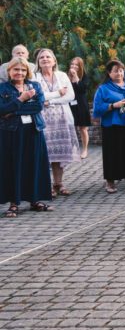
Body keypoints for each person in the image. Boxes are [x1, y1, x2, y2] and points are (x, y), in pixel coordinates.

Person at [1, 57, 53, 217]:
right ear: (9, 71)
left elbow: (38, 106)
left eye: (23, 70)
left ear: (27, 72)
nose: (20, 73)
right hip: (11, 133)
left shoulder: (35, 85)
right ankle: (14, 203)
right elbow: (2, 110)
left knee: (34, 164)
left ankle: (35, 200)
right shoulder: (2, 88)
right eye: (16, 69)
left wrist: (13, 111)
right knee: (13, 166)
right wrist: (21, 99)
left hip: (34, 130)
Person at [92, 59, 125, 194]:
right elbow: (96, 109)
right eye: (115, 71)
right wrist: (113, 105)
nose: (119, 73)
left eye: (121, 70)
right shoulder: (103, 89)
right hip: (112, 125)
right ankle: (110, 181)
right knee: (113, 153)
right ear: (109, 73)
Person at [35, 49, 79, 196]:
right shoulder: (34, 77)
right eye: (42, 57)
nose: (45, 59)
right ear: (38, 62)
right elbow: (38, 97)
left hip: (62, 119)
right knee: (45, 154)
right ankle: (47, 185)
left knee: (60, 154)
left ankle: (58, 183)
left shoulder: (62, 75)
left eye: (48, 57)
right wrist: (56, 94)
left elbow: (70, 95)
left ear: (54, 61)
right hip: (44, 121)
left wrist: (50, 101)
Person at [68, 57, 92, 159]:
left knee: (83, 128)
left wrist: (76, 77)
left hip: (81, 104)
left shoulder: (84, 77)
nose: (74, 66)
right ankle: (72, 150)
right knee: (70, 128)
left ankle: (85, 150)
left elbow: (82, 89)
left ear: (80, 66)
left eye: (76, 65)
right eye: (72, 64)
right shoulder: (65, 76)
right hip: (69, 104)